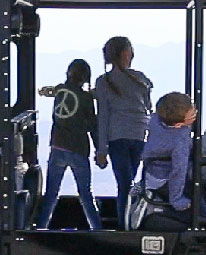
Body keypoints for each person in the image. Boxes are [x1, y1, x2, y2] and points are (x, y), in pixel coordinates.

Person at [35, 59, 102, 230]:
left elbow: (50, 90)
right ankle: (97, 229)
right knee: (86, 195)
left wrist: (43, 91)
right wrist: (100, 151)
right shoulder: (86, 98)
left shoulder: (60, 91)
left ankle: (41, 227)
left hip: (57, 148)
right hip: (78, 150)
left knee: (51, 193)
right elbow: (93, 126)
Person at [95, 35, 153, 226]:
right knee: (129, 185)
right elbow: (149, 109)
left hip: (117, 138)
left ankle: (124, 225)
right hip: (140, 136)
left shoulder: (104, 82)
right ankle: (129, 224)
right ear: (126, 53)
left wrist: (101, 150)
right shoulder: (141, 79)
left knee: (124, 185)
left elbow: (102, 118)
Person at [140, 92, 198, 217]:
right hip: (165, 180)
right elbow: (178, 171)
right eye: (192, 115)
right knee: (200, 212)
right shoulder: (180, 141)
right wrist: (177, 200)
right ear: (178, 125)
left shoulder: (156, 120)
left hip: (151, 172)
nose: (195, 113)